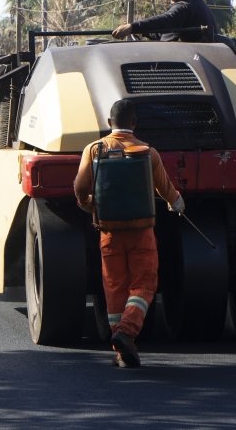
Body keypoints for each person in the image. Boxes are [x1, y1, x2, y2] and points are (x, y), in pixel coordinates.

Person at [73, 99, 184, 368]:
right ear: (134, 123)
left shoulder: (94, 149)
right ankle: (128, 332)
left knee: (115, 288)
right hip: (141, 232)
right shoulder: (147, 152)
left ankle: (121, 351)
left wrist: (90, 206)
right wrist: (176, 202)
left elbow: (79, 187)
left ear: (109, 123)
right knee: (144, 285)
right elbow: (166, 189)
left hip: (108, 232)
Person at [111, 0, 217, 43]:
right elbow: (166, 31)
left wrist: (132, 27)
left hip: (183, 63)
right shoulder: (198, 4)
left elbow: (167, 19)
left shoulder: (185, 6)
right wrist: (143, 31)